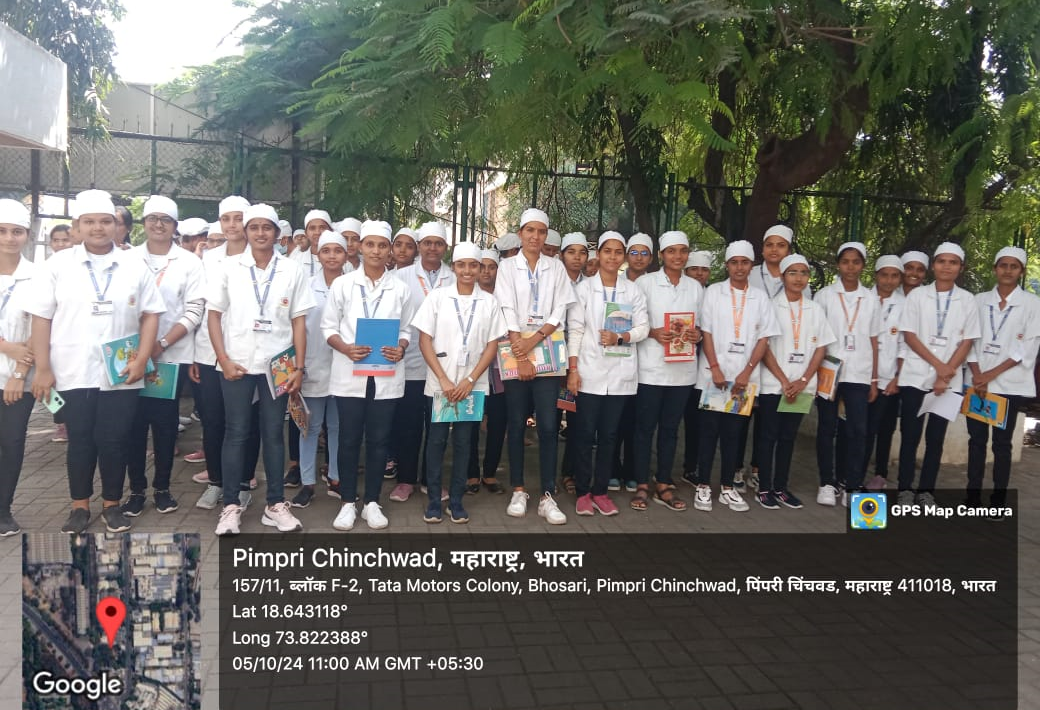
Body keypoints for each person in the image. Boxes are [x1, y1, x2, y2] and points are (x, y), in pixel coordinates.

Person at [27, 189, 165, 534]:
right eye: (89, 222)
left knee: (115, 440)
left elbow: (151, 313)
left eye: (106, 221)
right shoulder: (57, 266)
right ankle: (79, 506)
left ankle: (112, 505)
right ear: (77, 227)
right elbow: (41, 319)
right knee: (80, 439)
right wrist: (42, 368)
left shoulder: (134, 265)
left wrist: (143, 358)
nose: (98, 228)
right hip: (71, 369)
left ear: (117, 226)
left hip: (121, 372)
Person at [207, 203, 315, 536]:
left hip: (277, 365)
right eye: (253, 227)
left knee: (272, 434)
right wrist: (223, 359)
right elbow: (213, 316)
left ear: (277, 233)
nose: (260, 233)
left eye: (266, 227)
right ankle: (230, 506)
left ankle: (275, 504)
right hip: (237, 361)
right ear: (246, 231)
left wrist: (299, 367)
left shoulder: (292, 270)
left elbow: (299, 321)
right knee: (236, 432)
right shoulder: (228, 268)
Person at [323, 220, 414, 530]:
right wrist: (346, 348)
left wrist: (401, 347)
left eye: (382, 245)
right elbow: (328, 327)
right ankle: (348, 501)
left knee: (379, 440)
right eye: (370, 244)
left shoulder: (400, 289)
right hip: (350, 374)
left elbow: (407, 329)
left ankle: (372, 502)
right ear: (360, 247)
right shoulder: (343, 285)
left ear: (389, 251)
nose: (376, 251)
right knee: (349, 439)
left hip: (386, 375)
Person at [121, 196, 205, 519]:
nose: (158, 224)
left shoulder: (189, 262)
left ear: (175, 225)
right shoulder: (127, 259)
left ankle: (163, 488)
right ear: (144, 223)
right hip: (131, 355)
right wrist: (142, 349)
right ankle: (136, 490)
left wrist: (161, 344)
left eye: (165, 220)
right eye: (153, 218)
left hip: (170, 355)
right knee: (134, 424)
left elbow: (194, 309)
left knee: (164, 424)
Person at [413, 242, 507, 523]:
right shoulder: (438, 297)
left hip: (472, 386)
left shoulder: (489, 302)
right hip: (440, 384)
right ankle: (433, 500)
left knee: (465, 443)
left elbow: (492, 345)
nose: (468, 270)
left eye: (473, 265)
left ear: (479, 268)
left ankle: (456, 501)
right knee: (436, 441)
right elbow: (424, 340)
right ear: (453, 267)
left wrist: (470, 379)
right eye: (462, 265)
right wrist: (443, 379)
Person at [495, 208, 575, 524]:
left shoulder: (556, 267)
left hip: (548, 349)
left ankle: (547, 495)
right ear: (520, 233)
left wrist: (534, 341)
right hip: (515, 347)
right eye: (530, 230)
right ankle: (518, 489)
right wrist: (522, 353)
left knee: (548, 426)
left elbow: (559, 310)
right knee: (516, 424)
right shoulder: (506, 267)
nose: (535, 237)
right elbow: (505, 307)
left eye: (541, 231)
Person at [566, 231, 649, 516]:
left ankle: (600, 491)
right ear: (598, 255)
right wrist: (573, 370)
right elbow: (576, 330)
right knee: (584, 434)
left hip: (620, 374)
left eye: (618, 252)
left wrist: (621, 337)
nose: (612, 257)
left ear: (623, 256)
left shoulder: (633, 291)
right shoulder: (584, 290)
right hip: (589, 372)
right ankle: (582, 492)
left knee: (610, 436)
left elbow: (643, 328)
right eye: (607, 251)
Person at [694, 240, 779, 512]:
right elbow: (706, 332)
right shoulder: (714, 293)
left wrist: (747, 372)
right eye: (734, 262)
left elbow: (764, 338)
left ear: (751, 265)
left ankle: (727, 487)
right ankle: (703, 486)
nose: (739, 267)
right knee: (709, 433)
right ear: (727, 265)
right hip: (713, 376)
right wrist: (715, 367)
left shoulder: (760, 298)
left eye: (744, 262)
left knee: (734, 434)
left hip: (743, 379)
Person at [897, 242, 980, 506]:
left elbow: (967, 341)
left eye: (953, 262)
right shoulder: (917, 296)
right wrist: (939, 367)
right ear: (933, 265)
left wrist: (945, 374)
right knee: (910, 436)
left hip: (949, 383)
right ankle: (904, 489)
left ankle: (926, 491)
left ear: (960, 268)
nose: (947, 266)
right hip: (915, 376)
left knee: (935, 439)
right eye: (942, 261)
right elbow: (910, 335)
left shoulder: (967, 300)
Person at [189, 201, 260, 505]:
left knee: (247, 422)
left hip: (249, 353)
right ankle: (216, 481)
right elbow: (199, 306)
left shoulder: (262, 256)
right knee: (213, 420)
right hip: (209, 352)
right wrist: (194, 354)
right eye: (226, 219)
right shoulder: (208, 259)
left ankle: (243, 483)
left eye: (238, 218)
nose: (232, 225)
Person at [965, 246, 1040, 515]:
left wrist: (989, 375)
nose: (1008, 271)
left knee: (1002, 444)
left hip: (1008, 385)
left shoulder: (1033, 304)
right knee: (976, 442)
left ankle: (998, 499)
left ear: (1021, 271)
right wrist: (978, 374)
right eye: (1003, 265)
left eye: (1013, 266)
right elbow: (968, 340)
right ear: (995, 268)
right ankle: (972, 496)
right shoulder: (978, 300)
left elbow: (1026, 348)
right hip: (977, 383)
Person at [757, 254, 836, 509]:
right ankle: (764, 488)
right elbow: (764, 347)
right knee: (768, 436)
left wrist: (803, 380)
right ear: (782, 276)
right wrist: (784, 380)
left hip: (802, 386)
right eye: (792, 272)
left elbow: (821, 347)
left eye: (803, 273)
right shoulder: (769, 306)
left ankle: (781, 487)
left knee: (788, 437)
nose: (798, 278)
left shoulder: (815, 309)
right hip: (774, 384)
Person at [632, 231, 702, 512]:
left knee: (671, 429)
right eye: (671, 251)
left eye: (683, 251)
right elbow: (634, 321)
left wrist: (697, 335)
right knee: (644, 428)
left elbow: (702, 325)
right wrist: (653, 332)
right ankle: (641, 483)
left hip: (682, 371)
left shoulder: (695, 287)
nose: (677, 256)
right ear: (661, 255)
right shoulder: (646, 283)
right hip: (651, 369)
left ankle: (663, 482)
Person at [387, 221, 455, 502]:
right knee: (409, 425)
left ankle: (431, 480)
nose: (432, 248)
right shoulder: (400, 277)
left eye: (438, 243)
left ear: (445, 248)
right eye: (427, 243)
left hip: (444, 366)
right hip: (411, 362)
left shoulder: (455, 278)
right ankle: (405, 480)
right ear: (419, 246)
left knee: (438, 426)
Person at [812, 241, 882, 506]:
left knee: (858, 430)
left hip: (859, 373)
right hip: (829, 371)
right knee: (826, 428)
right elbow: (816, 337)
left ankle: (852, 485)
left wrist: (874, 379)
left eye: (856, 262)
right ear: (838, 265)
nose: (850, 267)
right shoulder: (824, 296)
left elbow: (874, 340)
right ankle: (826, 483)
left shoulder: (871, 299)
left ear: (863, 266)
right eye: (845, 262)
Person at [292, 230, 348, 508]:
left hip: (345, 367)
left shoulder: (354, 285)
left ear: (346, 254)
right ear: (317, 253)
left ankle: (336, 477)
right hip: (313, 364)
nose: (332, 256)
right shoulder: (305, 285)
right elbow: (297, 327)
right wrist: (298, 366)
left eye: (338, 250)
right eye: (326, 250)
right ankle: (307, 483)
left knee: (338, 426)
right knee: (310, 427)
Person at [0, 200, 37, 535]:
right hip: (11, 358)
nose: (9, 238)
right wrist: (6, 346)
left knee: (11, 443)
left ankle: (3, 510)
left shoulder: (38, 276)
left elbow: (40, 331)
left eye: (16, 231)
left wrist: (18, 373)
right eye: (2, 231)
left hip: (18, 378)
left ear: (27, 234)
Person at [862, 255, 905, 491]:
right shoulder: (863, 299)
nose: (889, 280)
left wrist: (897, 377)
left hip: (888, 378)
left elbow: (905, 344)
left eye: (894, 276)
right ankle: (854, 473)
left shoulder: (905, 305)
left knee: (883, 428)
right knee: (861, 428)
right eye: (884, 275)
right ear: (875, 275)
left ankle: (880, 473)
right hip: (861, 375)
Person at [467, 248, 507, 495]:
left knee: (498, 423)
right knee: (471, 422)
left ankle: (490, 473)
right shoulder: (466, 296)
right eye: (481, 267)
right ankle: (471, 473)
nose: (486, 272)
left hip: (500, 371)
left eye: (492, 267)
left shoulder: (505, 297)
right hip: (472, 370)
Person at [681, 250, 712, 483]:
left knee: (703, 423)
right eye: (694, 269)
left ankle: (696, 468)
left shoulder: (714, 296)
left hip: (708, 371)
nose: (699, 274)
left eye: (704, 270)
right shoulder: (682, 293)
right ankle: (689, 466)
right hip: (680, 368)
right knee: (687, 422)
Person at [292, 209, 333, 278]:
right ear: (306, 233)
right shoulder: (296, 261)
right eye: (312, 228)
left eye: (322, 228)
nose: (317, 232)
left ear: (331, 231)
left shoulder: (344, 263)